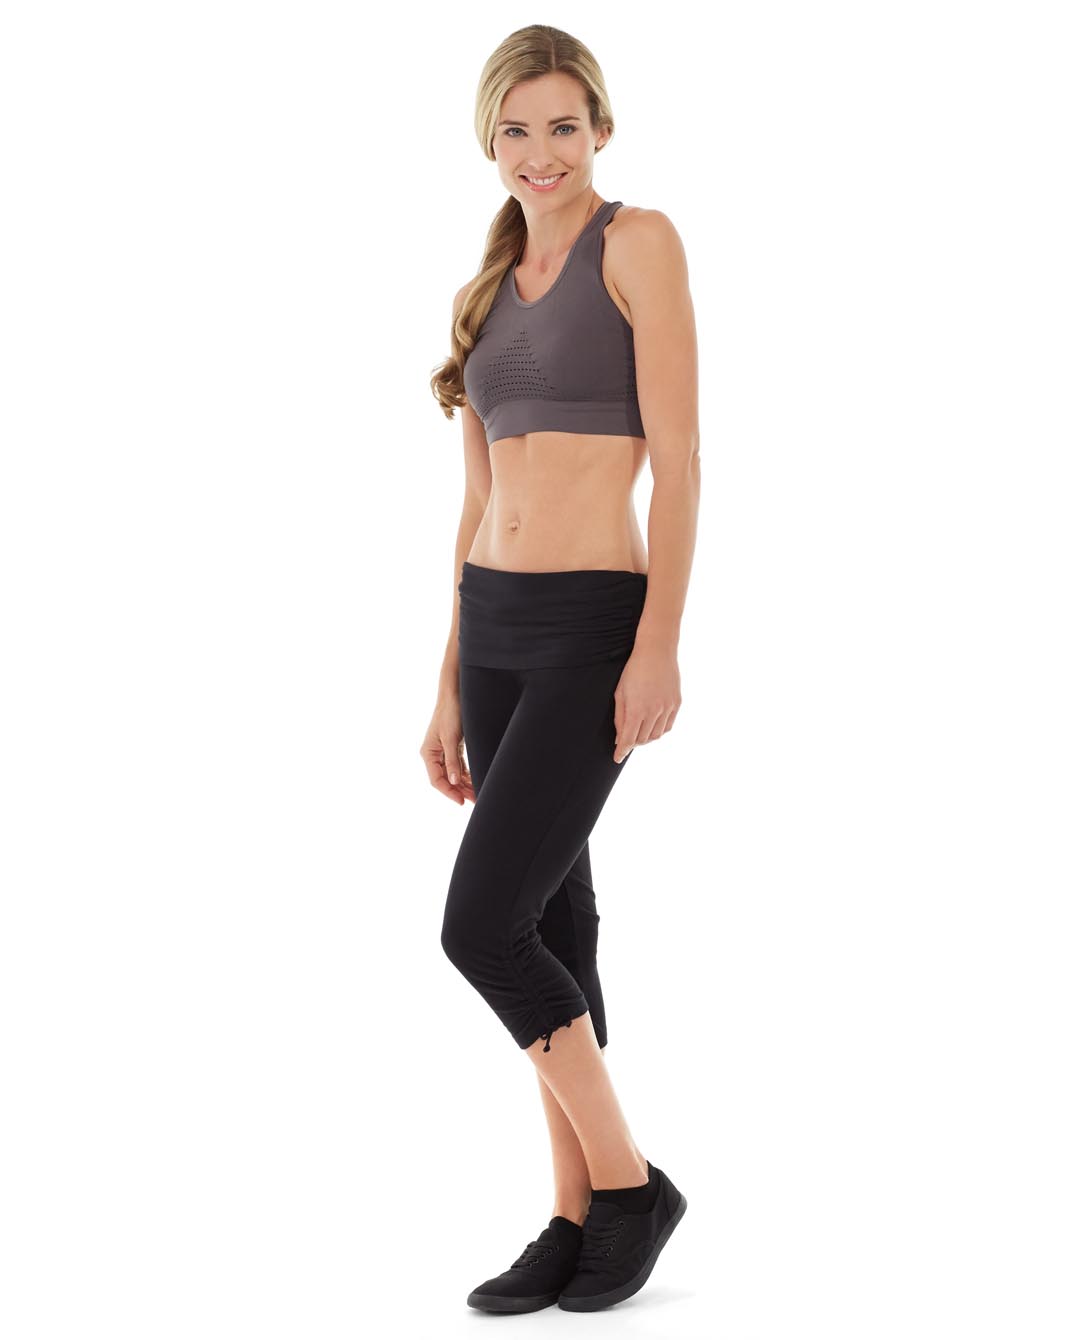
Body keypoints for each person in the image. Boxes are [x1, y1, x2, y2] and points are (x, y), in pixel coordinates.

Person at [422, 24, 700, 1315]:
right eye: (518, 130)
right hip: (493, 628)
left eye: (564, 127)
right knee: (549, 926)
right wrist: (445, 681)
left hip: (593, 623)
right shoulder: (482, 294)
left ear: (600, 130)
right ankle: (574, 1214)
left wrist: (659, 642)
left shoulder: (639, 244)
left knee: (481, 927)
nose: (542, 153)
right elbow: (475, 503)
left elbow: (682, 461)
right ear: (490, 139)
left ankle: (631, 1185)